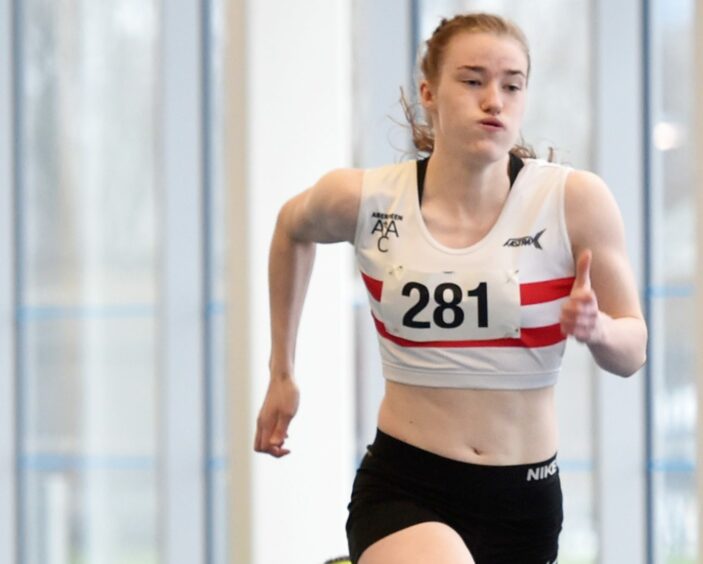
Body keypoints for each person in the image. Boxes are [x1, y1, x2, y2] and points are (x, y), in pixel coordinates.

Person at [254, 12, 647, 564]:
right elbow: (290, 230)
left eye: (512, 85)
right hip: (406, 486)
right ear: (429, 92)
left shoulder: (574, 202)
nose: (495, 100)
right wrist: (282, 374)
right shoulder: (367, 200)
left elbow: (634, 351)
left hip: (525, 499)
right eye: (472, 80)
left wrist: (598, 328)